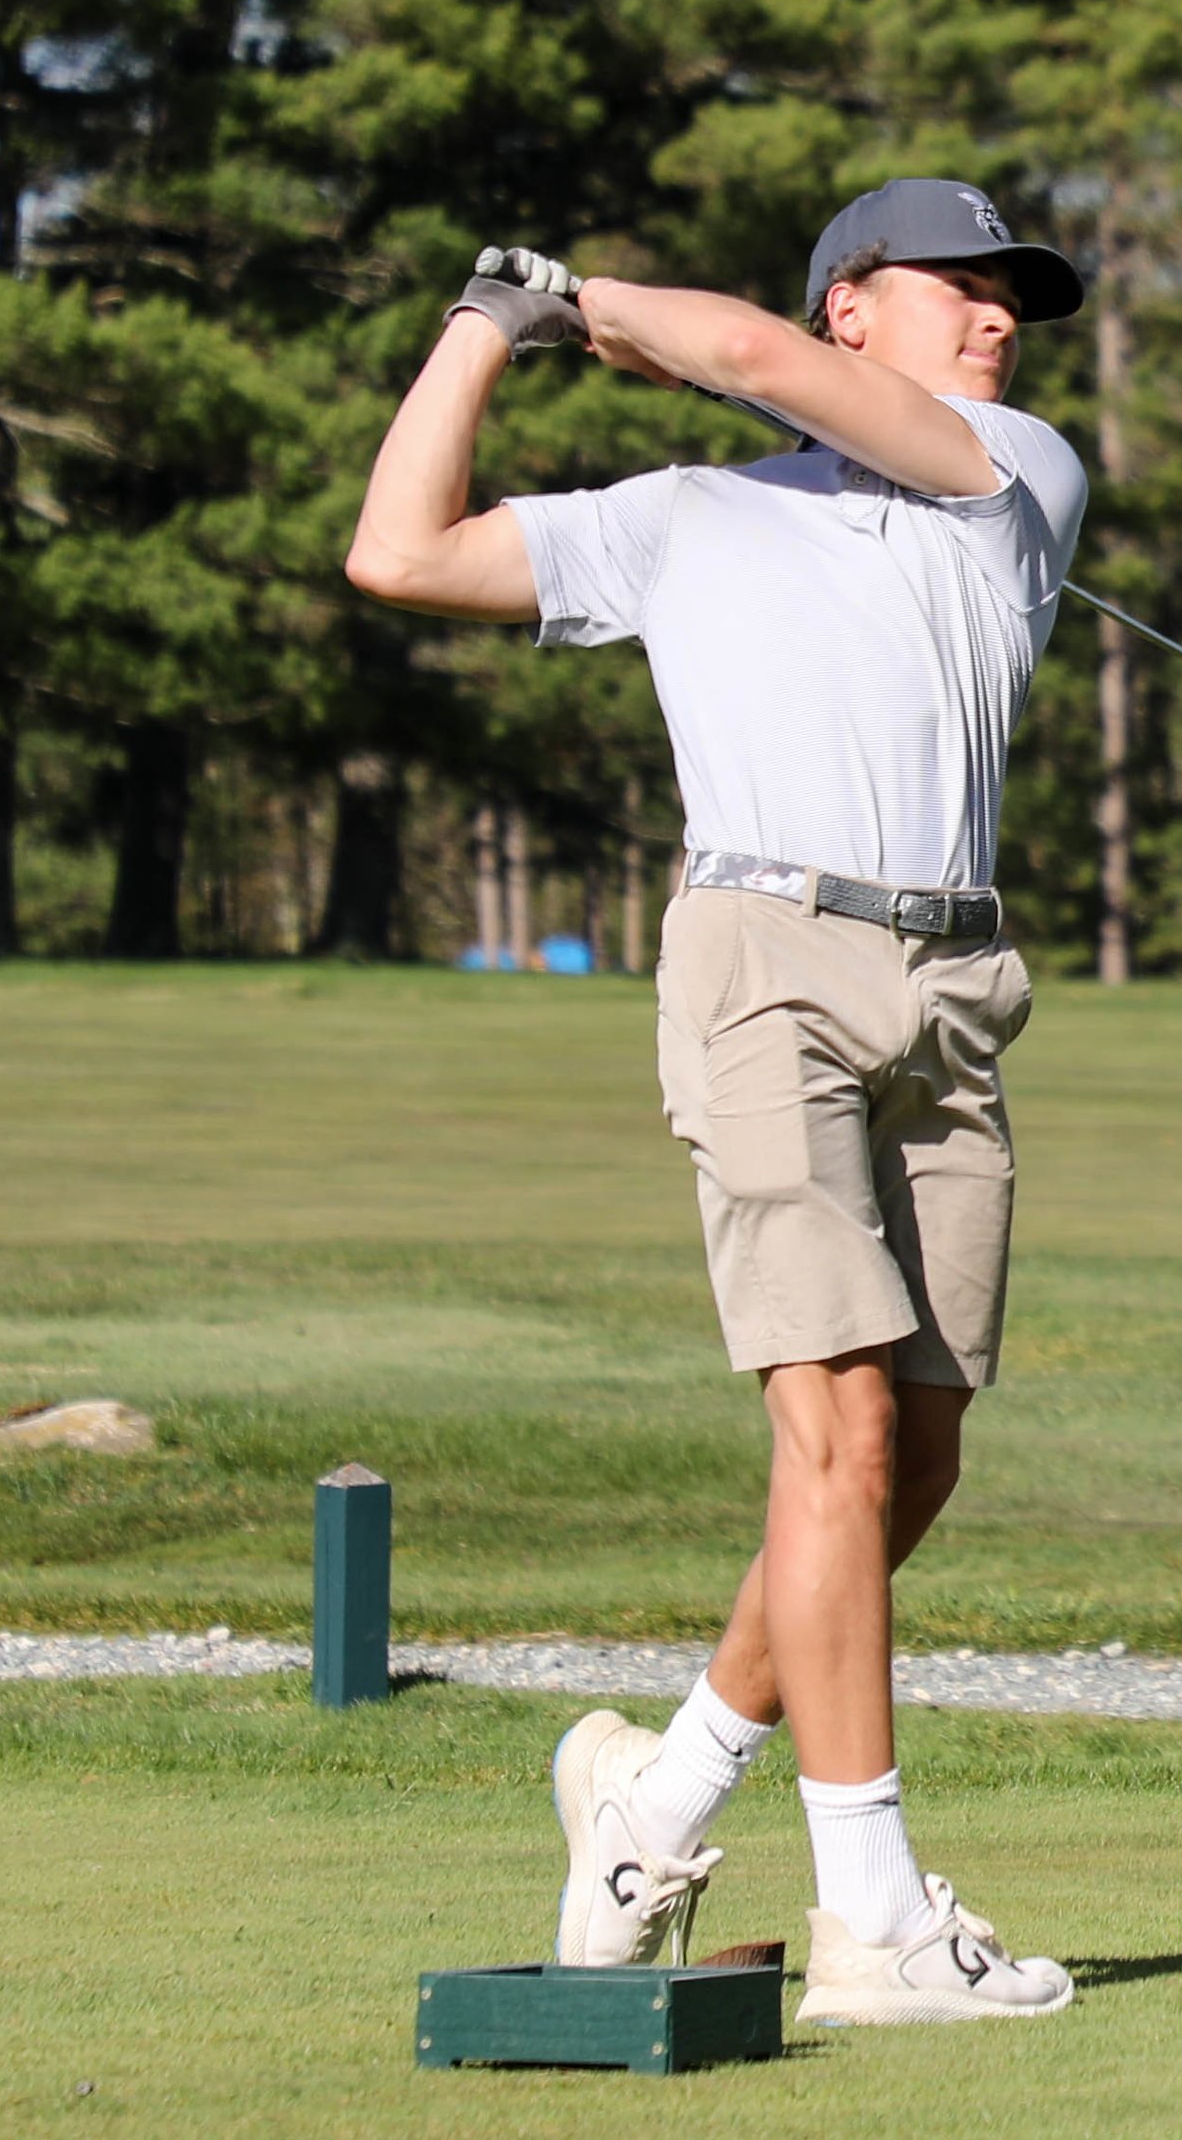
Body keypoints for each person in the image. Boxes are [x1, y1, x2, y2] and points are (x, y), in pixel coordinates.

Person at [341, 179, 1091, 2026]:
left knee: (910, 1461)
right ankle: (873, 1921)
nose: (1002, 322)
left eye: (1017, 299)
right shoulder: (682, 520)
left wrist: (587, 294)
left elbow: (743, 351)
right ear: (859, 304)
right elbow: (399, 549)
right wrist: (481, 327)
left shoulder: (1018, 470)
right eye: (962, 291)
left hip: (953, 992)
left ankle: (652, 1794)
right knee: (830, 1434)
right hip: (761, 958)